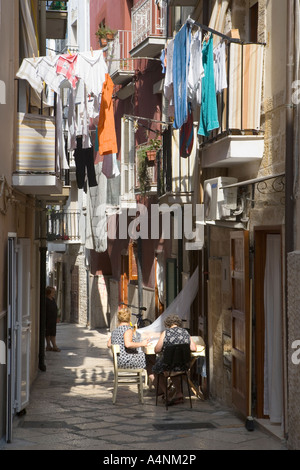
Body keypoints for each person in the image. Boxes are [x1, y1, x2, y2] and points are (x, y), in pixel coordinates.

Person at [153, 314, 197, 405]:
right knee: (175, 370)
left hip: (168, 365)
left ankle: (167, 394)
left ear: (167, 324)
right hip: (183, 365)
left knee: (156, 370)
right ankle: (179, 393)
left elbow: (157, 350)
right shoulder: (185, 332)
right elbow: (194, 348)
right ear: (178, 323)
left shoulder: (166, 333)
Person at [107, 308, 153, 377]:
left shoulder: (115, 330)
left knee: (150, 360)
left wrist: (118, 347)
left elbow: (108, 344)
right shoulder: (128, 330)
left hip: (119, 361)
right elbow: (128, 344)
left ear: (119, 319)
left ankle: (155, 382)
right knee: (151, 359)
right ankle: (157, 383)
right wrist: (142, 344)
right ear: (129, 318)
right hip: (127, 361)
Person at [45, 286, 61, 352]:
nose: (54, 293)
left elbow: (56, 309)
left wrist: (58, 317)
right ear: (49, 293)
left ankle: (52, 346)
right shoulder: (45, 300)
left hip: (53, 319)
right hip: (47, 319)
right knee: (48, 333)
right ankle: (52, 346)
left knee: (53, 333)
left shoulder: (53, 299)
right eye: (53, 292)